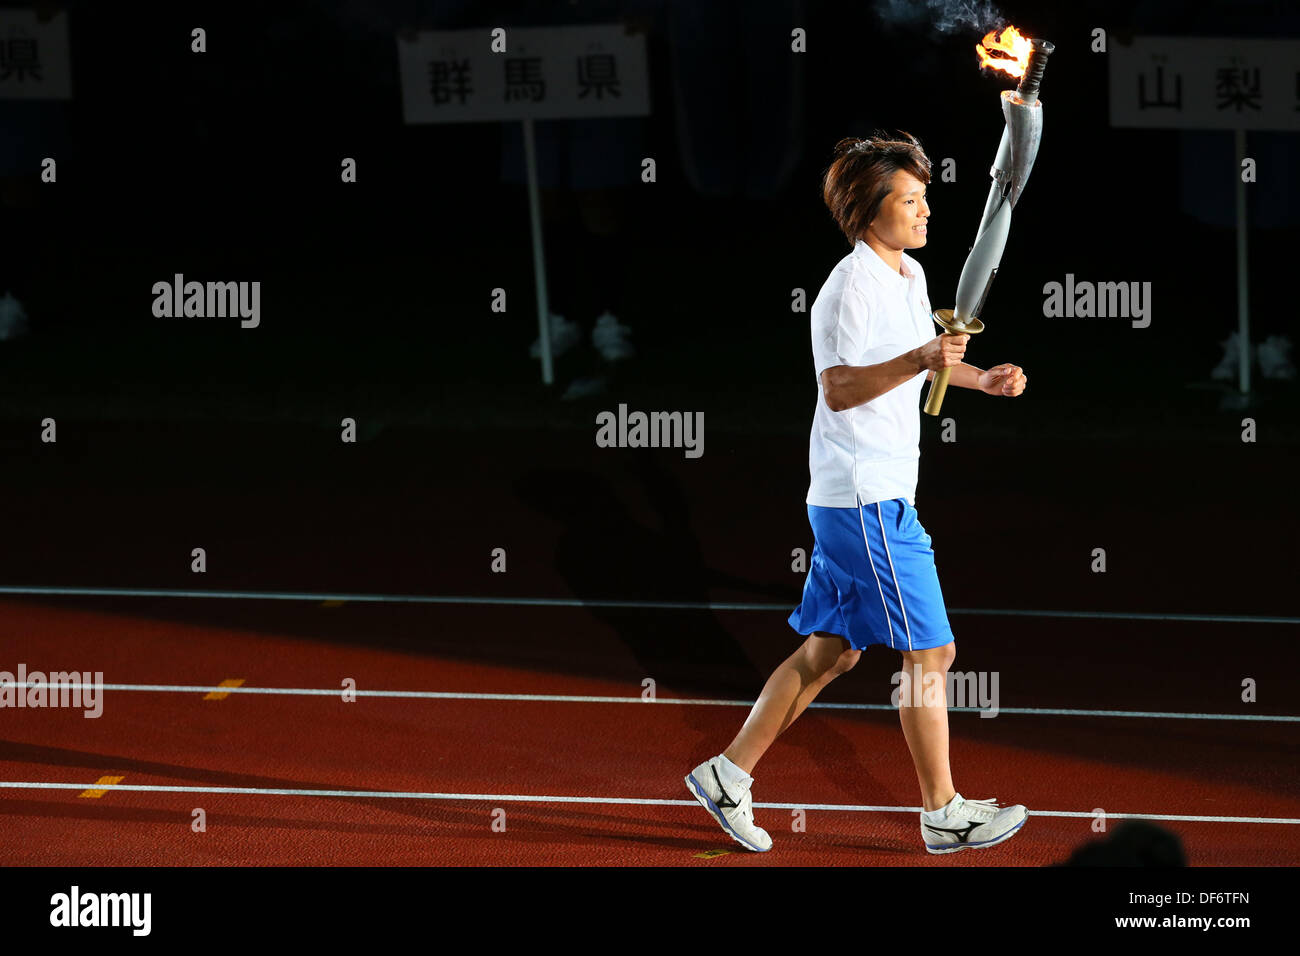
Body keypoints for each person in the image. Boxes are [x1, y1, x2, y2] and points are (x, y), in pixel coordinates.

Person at [686, 132, 1030, 855]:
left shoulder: (907, 276)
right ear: (867, 210)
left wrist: (979, 377)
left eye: (925, 198)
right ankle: (943, 811)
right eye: (909, 201)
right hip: (865, 502)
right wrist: (921, 356)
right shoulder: (848, 288)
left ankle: (727, 773)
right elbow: (840, 386)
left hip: (867, 500)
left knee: (831, 654)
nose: (925, 211)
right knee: (931, 654)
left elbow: (918, 364)